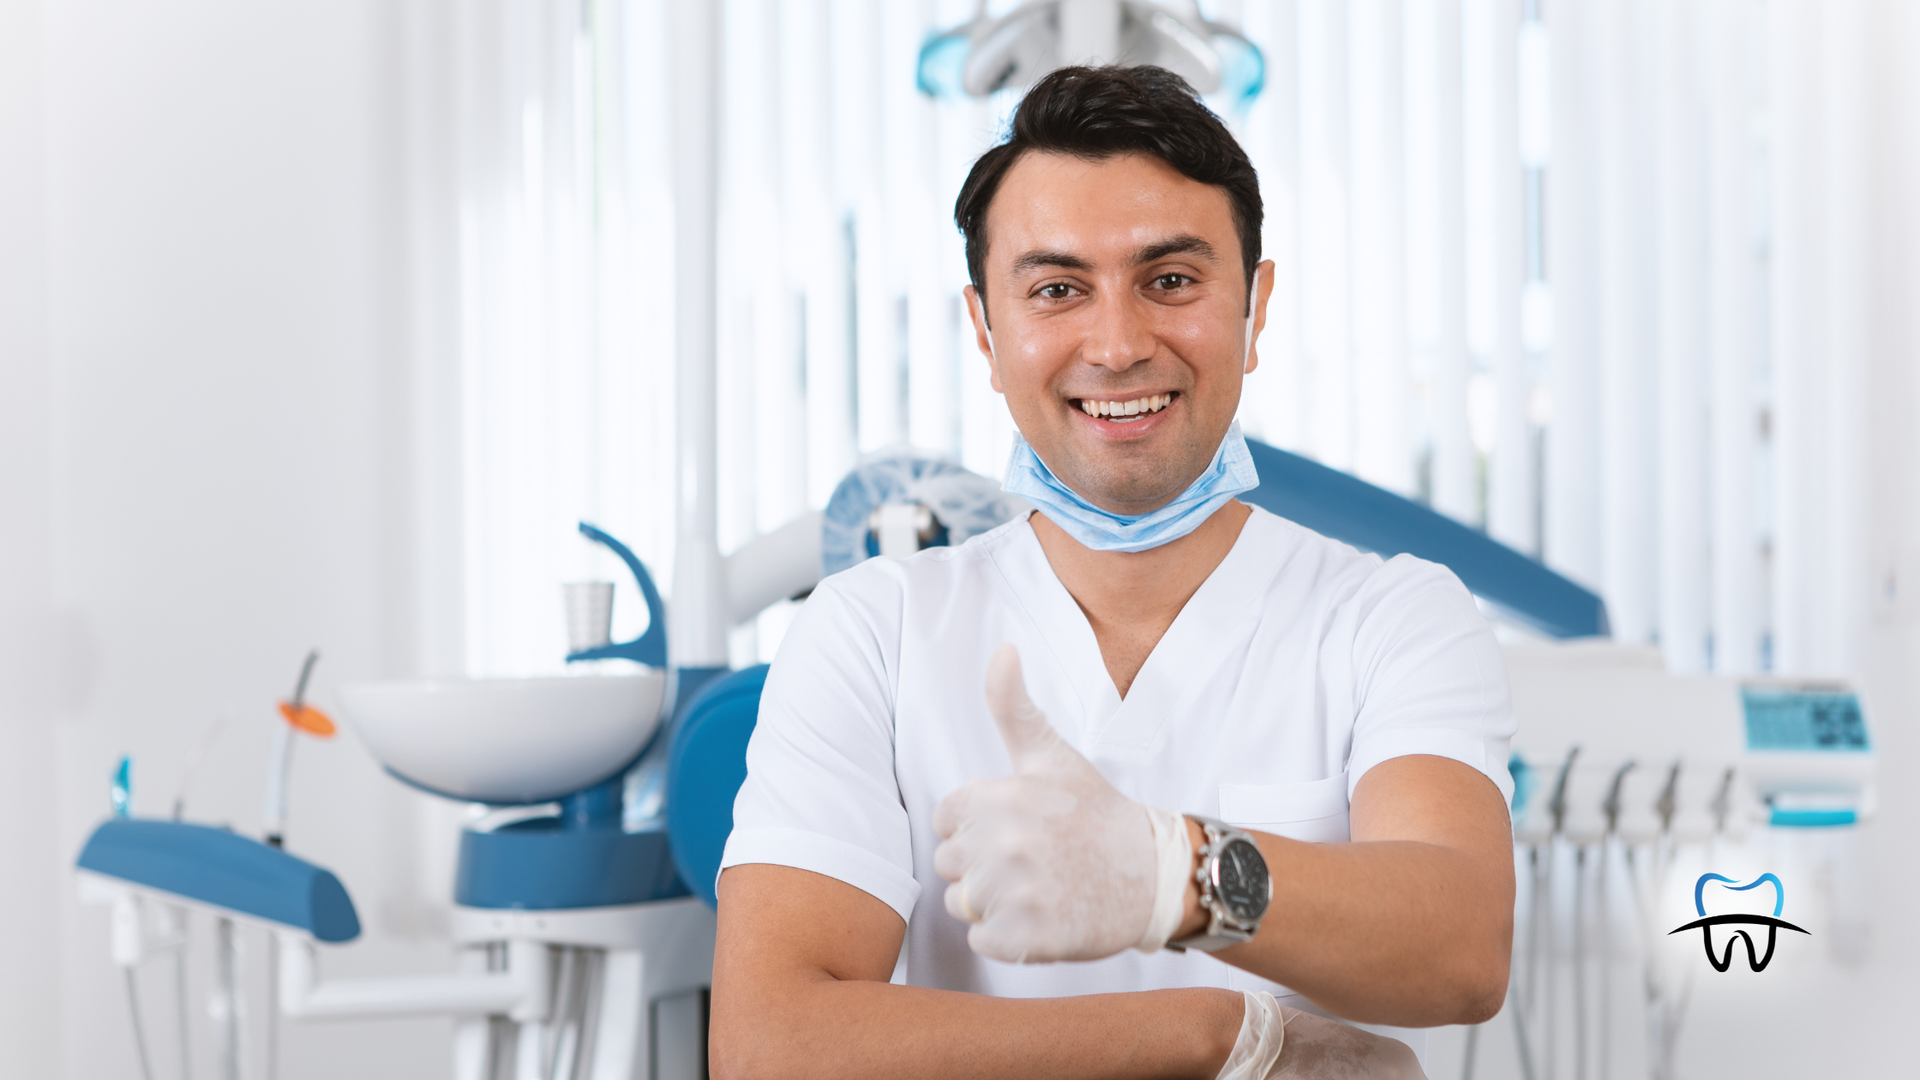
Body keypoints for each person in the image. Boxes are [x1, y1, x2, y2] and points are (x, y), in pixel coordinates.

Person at [709, 65, 1516, 1080]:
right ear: (986, 331)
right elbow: (770, 1046)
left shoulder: (1392, 617)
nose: (1119, 343)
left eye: (1171, 281)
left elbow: (1461, 948)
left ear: (1254, 308)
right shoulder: (876, 631)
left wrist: (1164, 870)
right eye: (1056, 289)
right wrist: (1217, 1030)